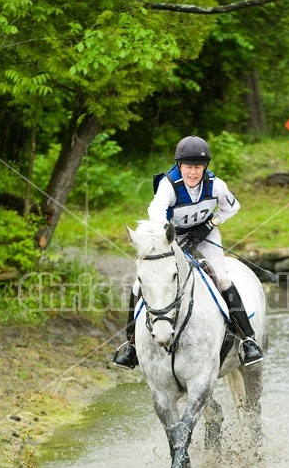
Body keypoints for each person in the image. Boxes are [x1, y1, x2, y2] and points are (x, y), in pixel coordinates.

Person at [113, 135, 263, 369]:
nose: (193, 172)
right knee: (137, 286)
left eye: (198, 167)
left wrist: (211, 224)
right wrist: (168, 237)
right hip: (172, 236)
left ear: (205, 167)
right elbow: (156, 212)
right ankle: (130, 345)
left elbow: (232, 208)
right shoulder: (169, 185)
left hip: (206, 235)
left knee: (222, 279)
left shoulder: (216, 186)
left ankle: (248, 340)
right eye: (188, 167)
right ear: (179, 166)